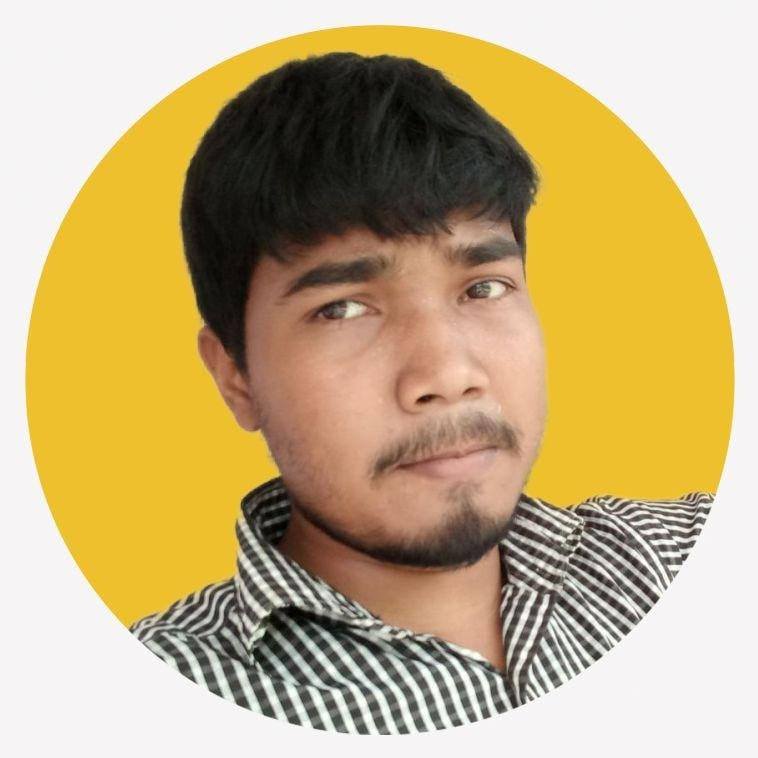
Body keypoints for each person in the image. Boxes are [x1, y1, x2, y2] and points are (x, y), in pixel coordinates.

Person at [130, 52, 713, 734]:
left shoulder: (682, 558)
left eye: (484, 287)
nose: (447, 375)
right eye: (343, 308)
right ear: (236, 375)